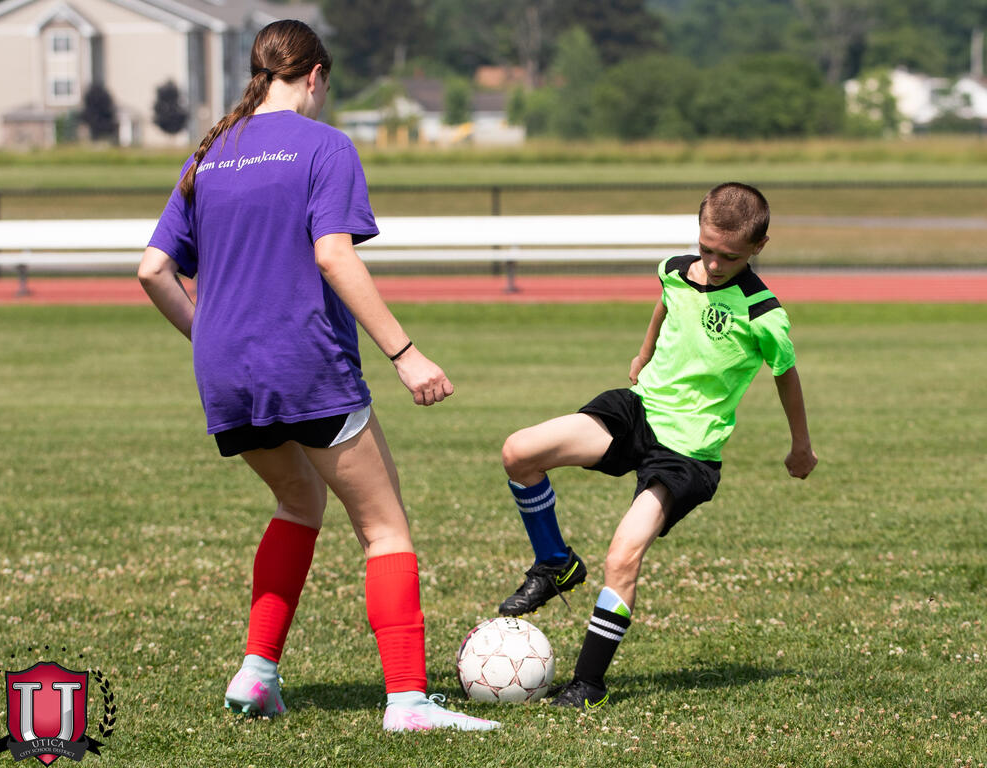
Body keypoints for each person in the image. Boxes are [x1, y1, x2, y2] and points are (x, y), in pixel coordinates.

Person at [138, 19, 497, 733]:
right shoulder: (326, 146)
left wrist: (210, 339)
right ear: (315, 76)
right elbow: (334, 255)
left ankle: (257, 673)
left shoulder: (209, 152)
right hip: (305, 364)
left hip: (226, 375)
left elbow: (152, 271)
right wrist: (405, 353)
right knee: (384, 527)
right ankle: (408, 703)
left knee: (298, 501)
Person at [496, 182, 818, 709]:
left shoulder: (763, 313)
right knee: (520, 452)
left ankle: (588, 685)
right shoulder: (674, 268)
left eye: (729, 256)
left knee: (622, 555)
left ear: (758, 247)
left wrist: (800, 446)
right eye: (706, 248)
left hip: (687, 451)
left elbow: (787, 376)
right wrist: (643, 353)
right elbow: (666, 304)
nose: (713, 264)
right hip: (639, 411)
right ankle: (555, 563)